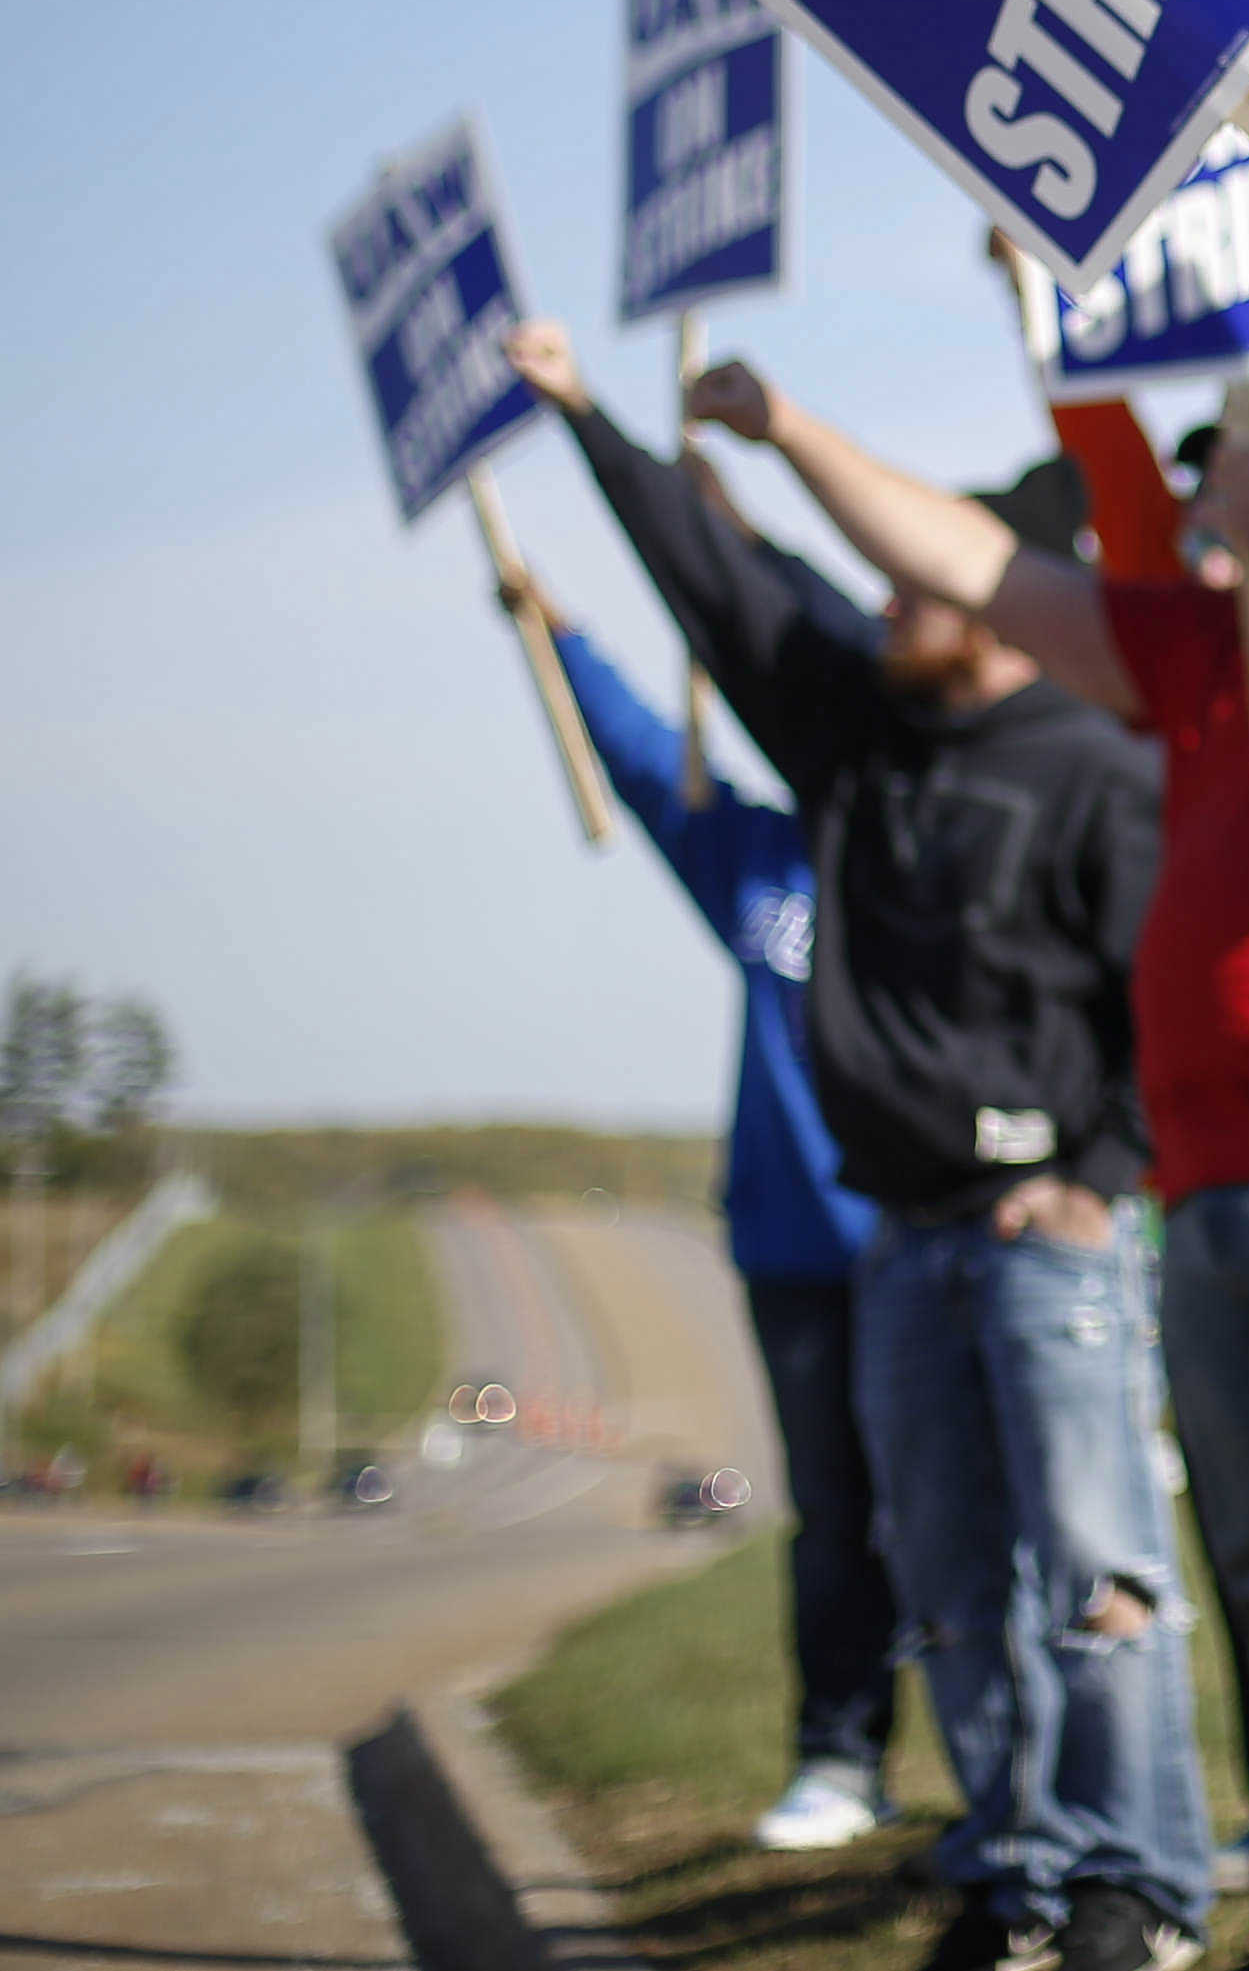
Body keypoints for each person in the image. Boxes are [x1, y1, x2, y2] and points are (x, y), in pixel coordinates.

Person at [701, 362, 1249, 1971]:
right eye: (1226, 479)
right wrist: (794, 437)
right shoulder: (1210, 651)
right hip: (1214, 1173)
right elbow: (986, 569)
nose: (1228, 503)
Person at [500, 325, 1201, 1971]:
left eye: (917, 587)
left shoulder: (1104, 769)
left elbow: (1172, 1003)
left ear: (1012, 599)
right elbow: (724, 585)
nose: (884, 608)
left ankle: (1135, 1884)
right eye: (878, 584)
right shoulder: (854, 733)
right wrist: (591, 415)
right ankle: (1012, 1869)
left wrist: (1098, 1182)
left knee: (1096, 1577)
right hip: (901, 1238)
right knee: (947, 1583)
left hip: (1051, 1250)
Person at [499, 536, 905, 1855]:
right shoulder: (760, 859)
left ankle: (1018, 1778)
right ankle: (840, 1754)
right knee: (833, 1512)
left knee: (956, 1510)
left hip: (930, 1238)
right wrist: (556, 632)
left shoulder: (934, 836)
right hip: (797, 1242)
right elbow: (636, 755)